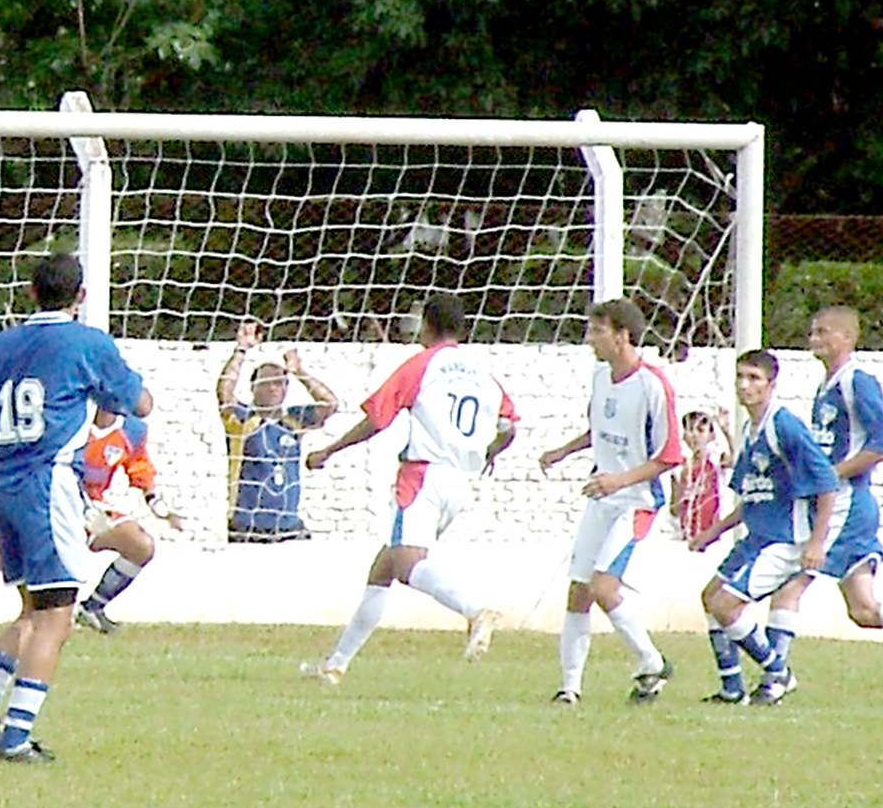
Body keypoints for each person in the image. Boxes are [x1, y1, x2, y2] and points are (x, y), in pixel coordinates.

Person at [0, 253, 153, 763]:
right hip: (49, 485)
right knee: (57, 617)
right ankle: (17, 737)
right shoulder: (86, 343)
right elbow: (140, 403)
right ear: (80, 296)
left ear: (30, 292)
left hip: (4, 483)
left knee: (31, 608)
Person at [298, 293, 518, 685]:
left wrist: (329, 450)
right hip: (461, 482)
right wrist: (488, 452)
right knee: (383, 568)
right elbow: (509, 426)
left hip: (423, 477)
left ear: (427, 326)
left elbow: (378, 418)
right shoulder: (485, 376)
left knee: (405, 564)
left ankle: (475, 610)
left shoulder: (423, 365)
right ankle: (335, 665)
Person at [537, 297, 683, 706]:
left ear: (622, 336)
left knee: (604, 586)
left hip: (636, 500)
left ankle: (651, 660)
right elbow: (597, 429)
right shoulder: (602, 377)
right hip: (602, 498)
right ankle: (569, 688)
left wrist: (619, 480)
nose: (590, 339)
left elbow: (670, 454)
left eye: (597, 331)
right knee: (579, 591)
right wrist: (562, 451)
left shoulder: (654, 384)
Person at [0, 410, 183, 633]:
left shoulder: (132, 430)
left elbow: (140, 467)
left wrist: (157, 503)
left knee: (141, 546)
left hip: (92, 509)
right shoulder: (72, 421)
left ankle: (92, 609)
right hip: (51, 501)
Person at [691, 349, 838, 704]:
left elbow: (827, 481)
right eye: (741, 376)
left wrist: (817, 542)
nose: (745, 385)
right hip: (757, 536)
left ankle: (778, 673)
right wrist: (714, 532)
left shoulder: (783, 425)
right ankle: (731, 689)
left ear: (771, 384)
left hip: (785, 539)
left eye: (754, 378)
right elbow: (752, 495)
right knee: (710, 598)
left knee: (726, 605)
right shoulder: (749, 429)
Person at [768, 305, 883, 642]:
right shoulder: (827, 386)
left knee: (788, 589)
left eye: (822, 332)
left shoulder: (856, 382)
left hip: (846, 504)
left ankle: (774, 679)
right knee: (864, 612)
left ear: (847, 337)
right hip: (841, 504)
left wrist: (829, 475)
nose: (813, 338)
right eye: (812, 332)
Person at [217, 320, 339, 539]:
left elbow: (330, 404)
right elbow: (224, 393)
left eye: (279, 383)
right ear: (253, 387)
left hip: (290, 527)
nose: (273, 388)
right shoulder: (243, 420)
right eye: (266, 383)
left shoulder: (293, 420)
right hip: (248, 528)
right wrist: (241, 350)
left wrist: (300, 372)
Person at [669, 408, 733, 550]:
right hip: (687, 537)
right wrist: (684, 496)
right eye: (690, 430)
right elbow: (674, 509)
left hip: (716, 537)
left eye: (700, 430)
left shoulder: (717, 460)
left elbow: (736, 460)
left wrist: (727, 432)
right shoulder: (680, 467)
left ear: (711, 435)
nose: (695, 436)